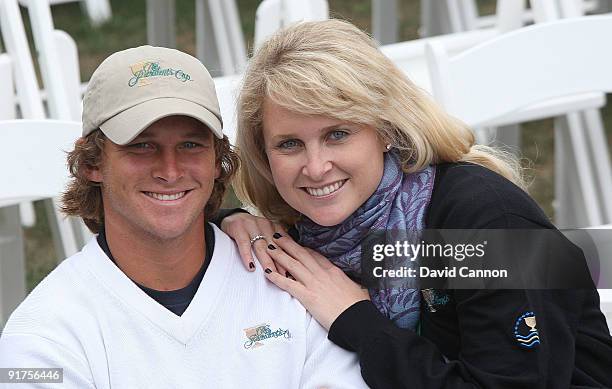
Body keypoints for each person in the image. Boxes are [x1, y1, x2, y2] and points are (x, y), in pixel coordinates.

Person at [217, 19, 612, 388]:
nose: (316, 167)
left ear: (385, 128)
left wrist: (357, 320)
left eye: (337, 134)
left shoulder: (487, 218)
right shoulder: (302, 233)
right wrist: (228, 219)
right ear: (263, 155)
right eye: (289, 144)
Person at [0, 45, 367, 389]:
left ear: (217, 160)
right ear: (93, 162)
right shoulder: (40, 336)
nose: (170, 170)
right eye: (142, 145)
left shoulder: (293, 278)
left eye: (191, 144)